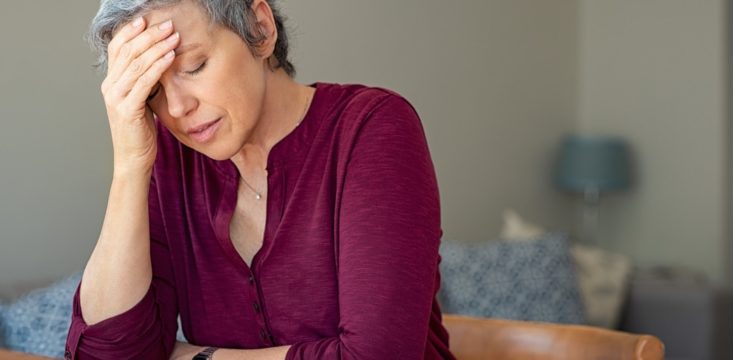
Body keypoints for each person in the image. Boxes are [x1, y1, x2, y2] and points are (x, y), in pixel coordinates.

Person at [64, 0, 455, 359]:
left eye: (194, 67)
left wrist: (202, 357)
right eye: (152, 91)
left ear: (261, 28)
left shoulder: (372, 127)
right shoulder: (168, 159)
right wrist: (131, 165)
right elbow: (103, 355)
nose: (178, 108)